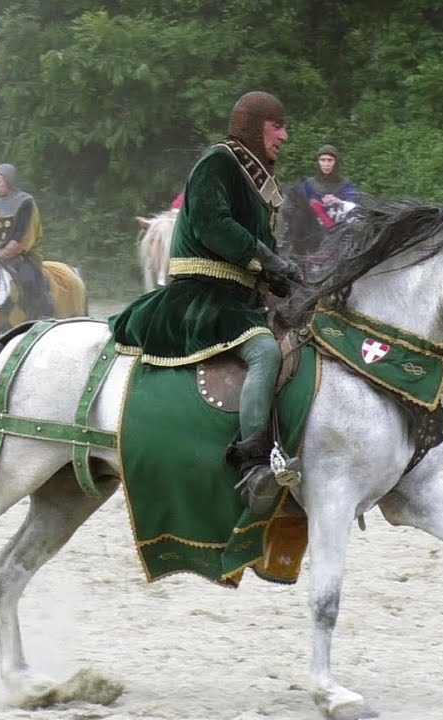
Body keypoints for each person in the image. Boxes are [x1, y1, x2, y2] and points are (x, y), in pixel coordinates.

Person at [109, 90, 302, 513]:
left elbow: (253, 246)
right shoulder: (218, 164)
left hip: (238, 294)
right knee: (266, 353)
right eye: (277, 126)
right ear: (254, 125)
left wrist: (282, 275)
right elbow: (214, 226)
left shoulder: (256, 179)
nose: (285, 136)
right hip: (202, 296)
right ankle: (253, 465)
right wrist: (268, 259)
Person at [0, 163, 53, 318]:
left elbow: (25, 231)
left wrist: (7, 252)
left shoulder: (26, 201)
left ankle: (41, 315)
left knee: (29, 281)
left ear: (9, 181)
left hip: (23, 255)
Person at [300, 144, 358, 230]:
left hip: (340, 231)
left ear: (336, 162)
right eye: (322, 160)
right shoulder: (308, 184)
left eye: (330, 160)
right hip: (311, 231)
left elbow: (354, 209)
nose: (326, 164)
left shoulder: (346, 185)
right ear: (318, 162)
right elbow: (296, 207)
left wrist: (339, 202)